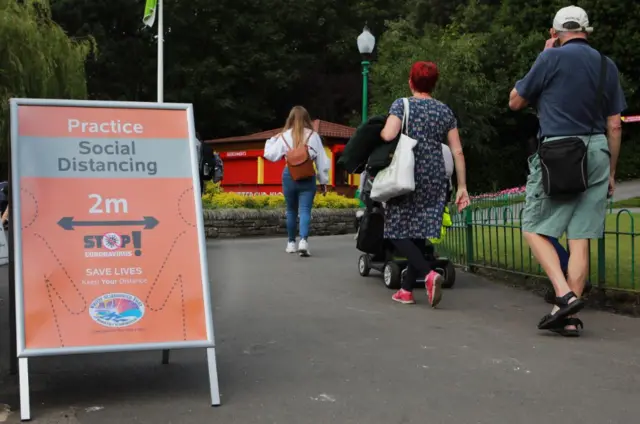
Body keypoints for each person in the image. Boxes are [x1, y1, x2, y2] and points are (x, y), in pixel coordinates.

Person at [509, 6, 626, 336]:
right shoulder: (607, 65)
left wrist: (542, 55)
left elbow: (515, 101)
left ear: (554, 32)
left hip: (560, 152)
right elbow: (615, 125)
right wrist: (612, 172)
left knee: (532, 226)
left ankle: (563, 295)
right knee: (580, 238)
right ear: (587, 30)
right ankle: (568, 318)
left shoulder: (550, 58)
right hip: (599, 152)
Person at [379, 61, 470, 307]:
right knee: (419, 231)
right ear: (434, 84)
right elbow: (457, 150)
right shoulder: (444, 111)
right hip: (435, 174)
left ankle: (429, 274)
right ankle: (406, 290)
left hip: (407, 173)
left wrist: (382, 129)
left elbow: (388, 135)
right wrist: (462, 186)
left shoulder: (402, 104)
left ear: (411, 81)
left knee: (395, 230)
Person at [264, 106, 330, 257]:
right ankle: (304, 242)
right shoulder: (314, 136)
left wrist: (273, 138)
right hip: (307, 175)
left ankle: (291, 243)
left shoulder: (284, 136)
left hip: (289, 175)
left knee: (291, 210)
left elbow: (270, 155)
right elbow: (322, 161)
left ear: (291, 119)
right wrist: (323, 181)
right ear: (307, 118)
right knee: (305, 210)